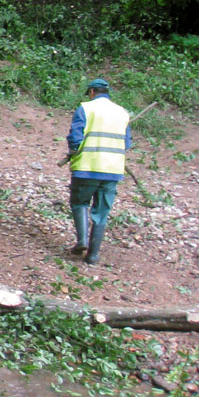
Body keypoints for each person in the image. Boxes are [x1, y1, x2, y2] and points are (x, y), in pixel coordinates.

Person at [66, 78, 131, 266]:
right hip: (112, 170)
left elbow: (76, 138)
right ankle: (93, 256)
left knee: (79, 202)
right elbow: (127, 143)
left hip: (87, 167)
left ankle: (82, 241)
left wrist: (73, 151)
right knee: (102, 211)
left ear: (92, 92)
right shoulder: (122, 113)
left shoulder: (85, 108)